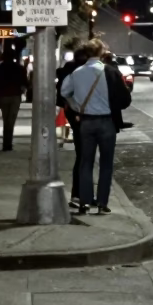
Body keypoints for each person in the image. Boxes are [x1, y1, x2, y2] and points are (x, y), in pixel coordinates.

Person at [60, 39, 116, 214]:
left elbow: (64, 92)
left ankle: (84, 201)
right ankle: (101, 203)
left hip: (86, 121)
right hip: (106, 121)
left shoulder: (77, 73)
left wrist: (76, 105)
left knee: (86, 162)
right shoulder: (109, 72)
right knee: (106, 164)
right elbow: (125, 99)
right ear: (100, 53)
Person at [57, 46, 88, 208]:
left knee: (82, 155)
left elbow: (62, 94)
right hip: (85, 115)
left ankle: (79, 194)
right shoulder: (84, 71)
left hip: (74, 114)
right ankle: (81, 195)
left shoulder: (68, 69)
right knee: (85, 156)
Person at [0, 44, 28, 151]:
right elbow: (25, 82)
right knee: (11, 120)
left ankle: (6, 143)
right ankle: (8, 143)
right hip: (15, 96)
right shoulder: (19, 68)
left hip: (3, 96)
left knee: (5, 119)